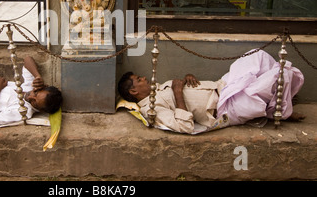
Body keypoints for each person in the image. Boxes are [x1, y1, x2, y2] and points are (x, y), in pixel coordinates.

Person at [117, 50, 305, 134]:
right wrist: (178, 92)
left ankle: (279, 104)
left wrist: (187, 78)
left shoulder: (157, 90)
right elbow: (184, 126)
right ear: (133, 91)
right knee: (277, 76)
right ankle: (281, 110)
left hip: (222, 85)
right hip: (226, 108)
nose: (144, 79)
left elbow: (181, 88)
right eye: (139, 79)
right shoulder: (151, 108)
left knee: (258, 57)